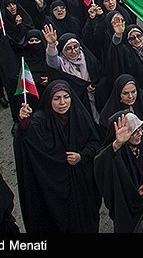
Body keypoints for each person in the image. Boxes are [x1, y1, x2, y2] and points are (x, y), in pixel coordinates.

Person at [14, 81, 101, 233]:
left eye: (66, 97)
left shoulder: (80, 115)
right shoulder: (41, 120)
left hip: (82, 184)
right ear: (49, 100)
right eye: (56, 98)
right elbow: (27, 138)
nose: (62, 103)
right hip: (55, 188)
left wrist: (81, 156)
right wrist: (23, 122)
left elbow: (94, 143)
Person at [94, 112, 143, 233]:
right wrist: (117, 144)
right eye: (134, 132)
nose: (139, 134)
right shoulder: (115, 150)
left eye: (141, 128)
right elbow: (100, 165)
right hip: (125, 204)